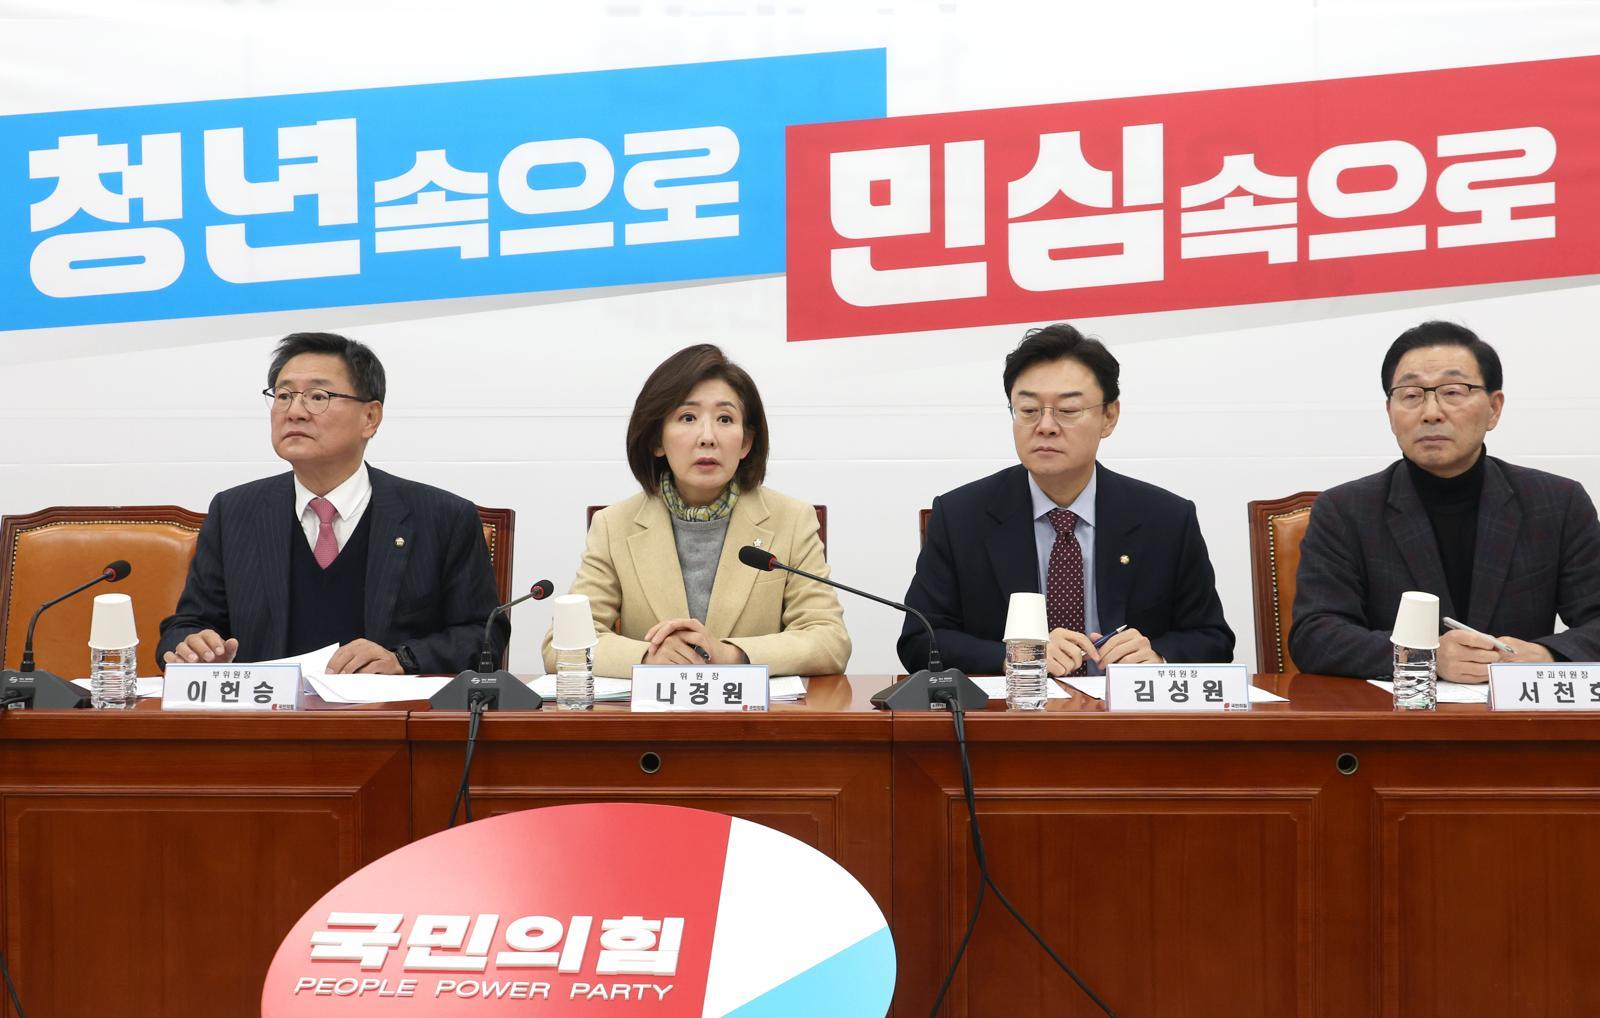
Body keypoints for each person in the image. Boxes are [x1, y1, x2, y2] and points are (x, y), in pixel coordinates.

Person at [158, 332, 504, 674]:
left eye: (318, 396)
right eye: (283, 396)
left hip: (388, 708)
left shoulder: (442, 517)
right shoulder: (234, 512)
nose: (294, 411)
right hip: (266, 709)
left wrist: (402, 659)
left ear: (370, 418)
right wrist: (193, 646)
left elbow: (485, 635)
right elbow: (187, 626)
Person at [898, 323, 1233, 677]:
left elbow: (1213, 639)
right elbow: (920, 640)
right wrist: (1014, 656)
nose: (1045, 425)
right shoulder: (961, 517)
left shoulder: (1166, 519)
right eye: (1029, 410)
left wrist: (1157, 657)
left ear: (1109, 417)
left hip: (1121, 710)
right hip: (1015, 708)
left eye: (1068, 410)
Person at [1290, 320, 1600, 680]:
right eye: (1411, 395)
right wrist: (1423, 656)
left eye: (1453, 392)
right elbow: (1315, 635)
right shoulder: (1345, 510)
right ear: (1390, 413)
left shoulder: (1557, 504)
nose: (1431, 412)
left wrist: (1548, 655)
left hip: (1517, 711)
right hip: (1399, 712)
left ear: (1494, 409)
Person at [543, 344, 849, 678]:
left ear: (746, 442)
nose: (707, 437)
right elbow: (562, 647)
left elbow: (829, 640)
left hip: (753, 711)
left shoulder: (791, 519)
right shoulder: (613, 526)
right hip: (656, 711)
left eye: (725, 419)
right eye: (688, 418)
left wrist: (731, 654)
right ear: (657, 440)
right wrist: (649, 658)